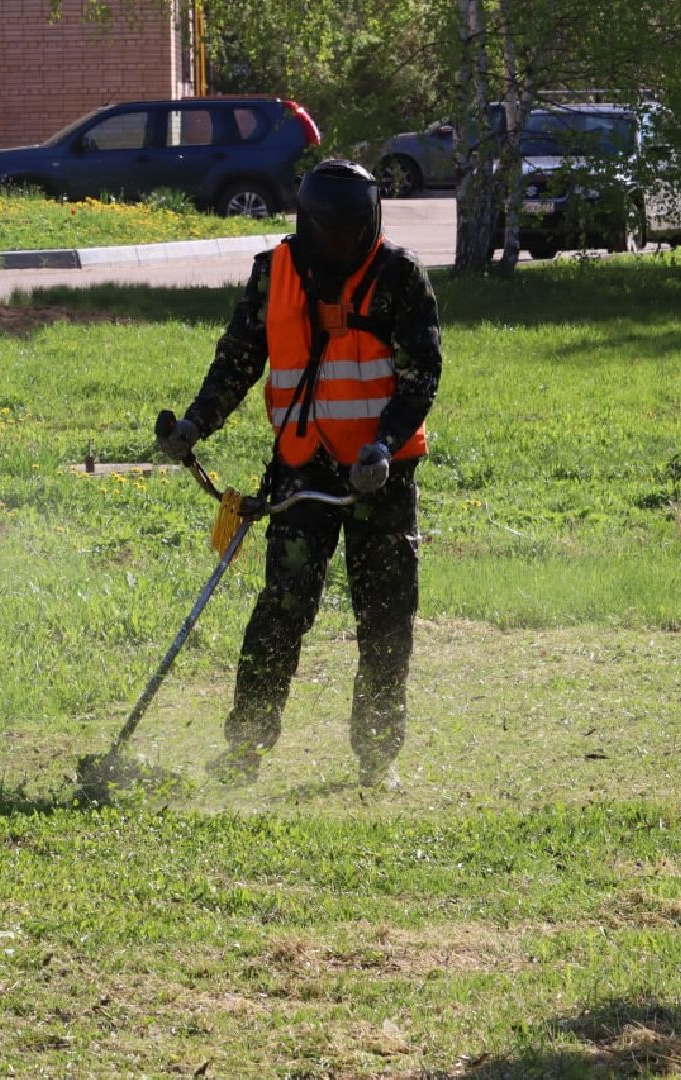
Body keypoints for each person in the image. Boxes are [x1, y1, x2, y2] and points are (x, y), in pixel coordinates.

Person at [155, 159, 443, 789]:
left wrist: (384, 447)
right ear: (307, 224)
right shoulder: (272, 275)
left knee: (386, 616)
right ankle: (245, 749)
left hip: (380, 478)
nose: (340, 245)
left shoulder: (400, 277)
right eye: (329, 232)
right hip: (299, 471)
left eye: (352, 231)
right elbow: (237, 360)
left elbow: (421, 378)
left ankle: (376, 758)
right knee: (281, 611)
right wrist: (194, 426)